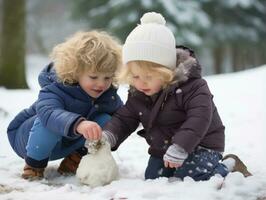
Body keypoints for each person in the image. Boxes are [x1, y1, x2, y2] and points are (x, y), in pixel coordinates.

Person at [93, 12, 251, 181]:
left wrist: (181, 147)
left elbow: (199, 119)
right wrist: (109, 135)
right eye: (135, 77)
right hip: (164, 148)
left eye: (148, 77)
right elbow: (125, 118)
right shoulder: (139, 92)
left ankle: (230, 166)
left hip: (202, 145)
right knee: (154, 178)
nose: (141, 83)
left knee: (191, 176)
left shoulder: (193, 87)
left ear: (166, 71)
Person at [7, 30, 123, 180]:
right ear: (76, 72)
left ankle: (74, 160)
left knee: (107, 120)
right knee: (50, 122)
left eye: (107, 77)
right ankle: (34, 167)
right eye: (93, 77)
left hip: (66, 143)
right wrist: (78, 124)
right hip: (28, 139)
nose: (101, 84)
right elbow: (49, 113)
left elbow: (123, 117)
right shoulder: (56, 88)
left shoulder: (108, 96)